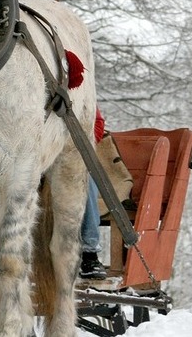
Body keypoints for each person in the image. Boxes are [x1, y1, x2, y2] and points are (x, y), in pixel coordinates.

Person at [79, 108, 108, 280]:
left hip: (71, 152)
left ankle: (89, 254)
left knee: (85, 178)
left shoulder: (80, 88)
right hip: (35, 154)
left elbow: (97, 123)